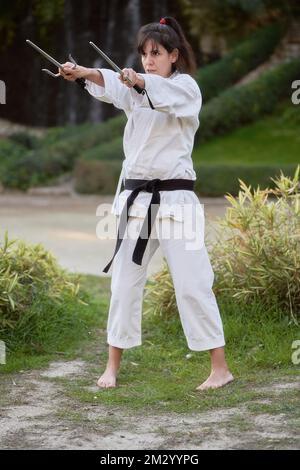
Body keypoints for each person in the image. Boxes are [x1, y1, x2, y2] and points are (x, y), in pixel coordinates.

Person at [59, 16, 234, 391]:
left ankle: (220, 368)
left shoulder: (186, 89)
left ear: (174, 55)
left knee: (192, 283)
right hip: (136, 200)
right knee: (123, 284)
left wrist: (139, 80)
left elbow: (159, 93)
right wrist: (82, 71)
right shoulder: (135, 91)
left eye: (156, 53)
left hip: (177, 202)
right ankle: (111, 366)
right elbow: (110, 86)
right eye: (143, 54)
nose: (149, 60)